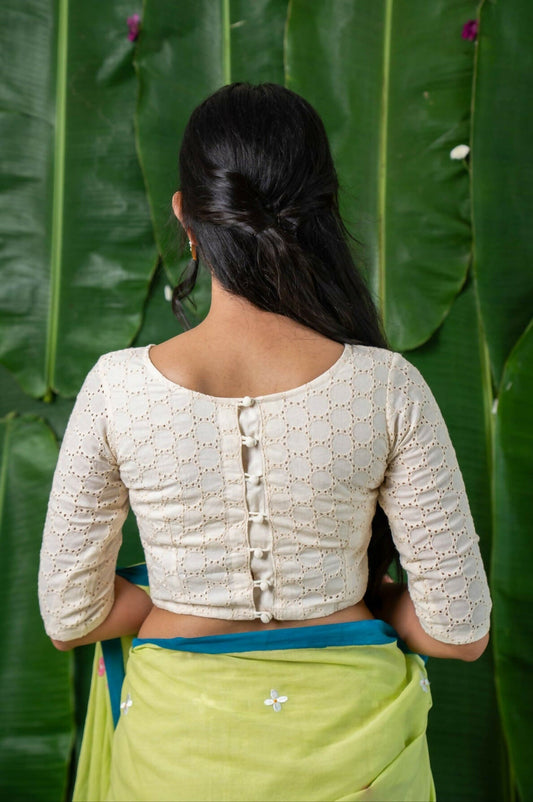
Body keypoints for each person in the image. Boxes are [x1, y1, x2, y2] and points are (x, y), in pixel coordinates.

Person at [38, 82, 492, 801]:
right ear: (321, 211)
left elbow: (71, 619)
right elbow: (458, 632)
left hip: (176, 753)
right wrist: (358, 597)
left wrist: (176, 601)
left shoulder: (115, 389)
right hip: (355, 746)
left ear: (186, 213)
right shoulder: (386, 387)